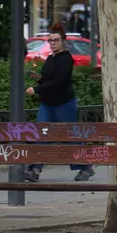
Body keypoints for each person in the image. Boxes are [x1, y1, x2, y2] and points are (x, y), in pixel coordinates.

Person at [24, 23, 95, 182]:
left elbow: (59, 83)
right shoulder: (50, 58)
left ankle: (86, 168)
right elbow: (48, 80)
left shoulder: (66, 59)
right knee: (42, 134)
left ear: (63, 41)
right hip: (48, 104)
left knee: (71, 136)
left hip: (64, 103)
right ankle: (34, 169)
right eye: (50, 41)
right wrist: (39, 79)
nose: (53, 43)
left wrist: (37, 89)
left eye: (56, 40)